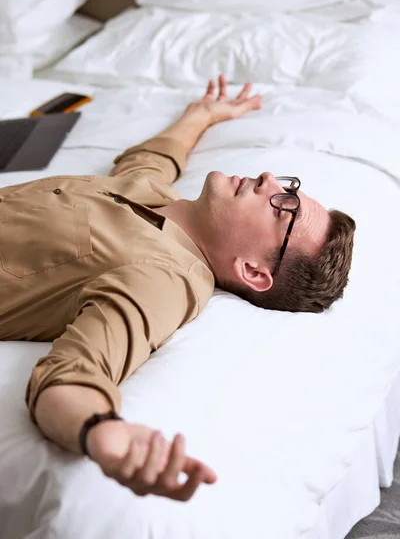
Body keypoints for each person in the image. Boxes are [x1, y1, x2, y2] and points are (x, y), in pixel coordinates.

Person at [0, 75, 355, 503]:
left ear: (253, 272)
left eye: (285, 209)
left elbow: (76, 374)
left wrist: (103, 432)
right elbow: (152, 159)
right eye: (289, 189)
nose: (269, 180)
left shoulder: (164, 278)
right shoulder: (156, 195)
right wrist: (202, 115)